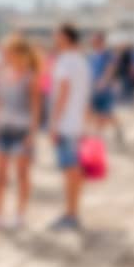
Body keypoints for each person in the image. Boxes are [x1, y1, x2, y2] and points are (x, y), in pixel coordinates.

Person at [0, 35, 42, 230]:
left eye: (8, 52)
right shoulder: (2, 75)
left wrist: (32, 135)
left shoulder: (31, 77)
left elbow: (36, 108)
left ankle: (20, 214)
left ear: (18, 54)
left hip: (22, 130)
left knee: (22, 174)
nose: (5, 55)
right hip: (2, 128)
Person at [47, 23, 92, 232]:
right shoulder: (82, 61)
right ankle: (73, 211)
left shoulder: (65, 62)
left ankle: (71, 214)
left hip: (66, 124)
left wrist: (54, 124)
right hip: (77, 123)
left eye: (56, 35)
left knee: (69, 171)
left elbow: (62, 93)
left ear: (65, 38)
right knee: (75, 171)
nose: (53, 39)